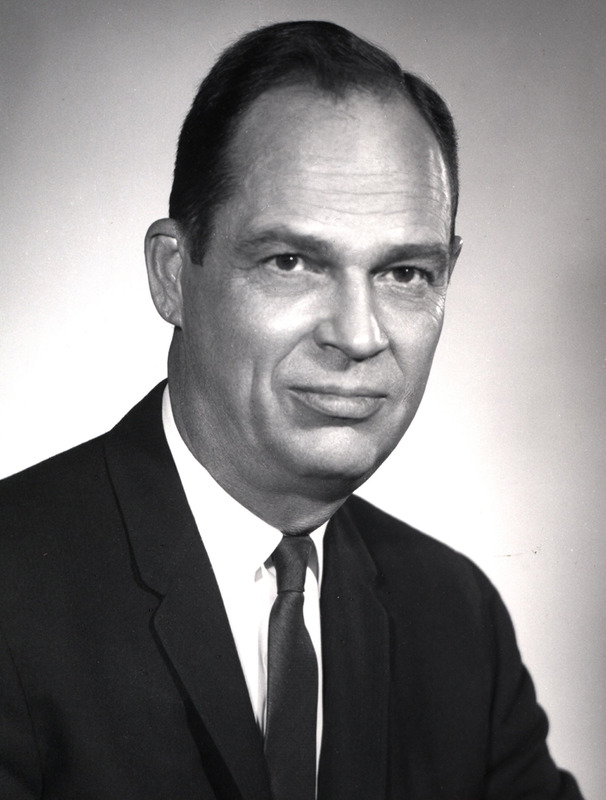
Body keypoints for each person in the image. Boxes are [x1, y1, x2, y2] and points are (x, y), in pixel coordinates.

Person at [0, 19, 584, 800]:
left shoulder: (458, 623)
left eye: (405, 273)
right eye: (292, 261)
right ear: (174, 275)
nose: (358, 335)